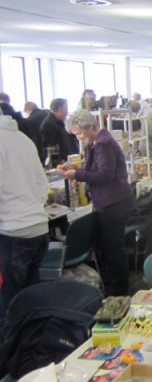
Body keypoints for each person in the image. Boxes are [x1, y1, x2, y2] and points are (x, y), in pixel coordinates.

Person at [58, 110, 135, 296]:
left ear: (90, 127)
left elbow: (105, 175)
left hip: (113, 203)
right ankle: (111, 287)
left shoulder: (104, 144)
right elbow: (95, 169)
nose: (79, 137)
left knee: (113, 249)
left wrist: (76, 174)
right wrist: (74, 168)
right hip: (108, 201)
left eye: (80, 133)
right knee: (105, 248)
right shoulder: (94, 143)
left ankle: (119, 291)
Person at [0, 114, 49, 330]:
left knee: (9, 304)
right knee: (30, 299)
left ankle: (10, 348)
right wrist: (32, 207)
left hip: (12, 231)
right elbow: (42, 184)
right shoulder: (23, 139)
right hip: (37, 227)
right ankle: (31, 343)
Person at [40, 98, 79, 165]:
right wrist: (60, 160)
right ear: (59, 109)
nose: (67, 112)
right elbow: (50, 147)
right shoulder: (49, 124)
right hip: (62, 162)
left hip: (69, 159)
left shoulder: (60, 121)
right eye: (66, 108)